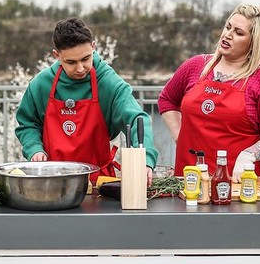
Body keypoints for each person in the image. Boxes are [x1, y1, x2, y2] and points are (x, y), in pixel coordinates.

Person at [15, 18, 159, 183]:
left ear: (93, 47)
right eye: (71, 62)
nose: (80, 68)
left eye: (85, 59)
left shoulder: (109, 82)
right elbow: (27, 124)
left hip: (99, 182)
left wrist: (145, 159)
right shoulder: (40, 84)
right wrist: (34, 149)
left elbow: (137, 119)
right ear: (57, 55)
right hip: (51, 180)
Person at [157, 4, 260, 181]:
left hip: (237, 184)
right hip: (188, 180)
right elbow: (167, 100)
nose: (227, 35)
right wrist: (179, 135)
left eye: (239, 33)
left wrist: (249, 155)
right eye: (228, 27)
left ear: (254, 42)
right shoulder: (196, 65)